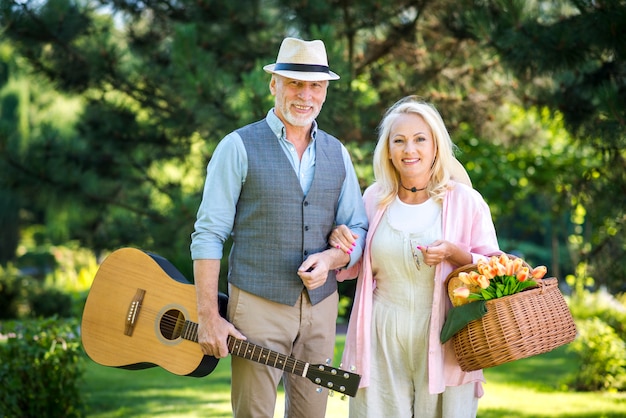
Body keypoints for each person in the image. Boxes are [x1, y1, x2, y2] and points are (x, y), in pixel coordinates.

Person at [190, 37, 368, 418]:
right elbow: (208, 234)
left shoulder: (338, 152)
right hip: (256, 305)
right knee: (254, 413)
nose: (305, 95)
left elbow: (357, 227)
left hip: (321, 310)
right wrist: (208, 315)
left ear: (325, 91)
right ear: (274, 84)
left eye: (315, 86)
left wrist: (333, 257)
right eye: (295, 83)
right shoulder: (237, 146)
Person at [329, 96, 500, 417]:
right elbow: (354, 260)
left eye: (420, 139)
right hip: (379, 333)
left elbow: (495, 270)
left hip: (447, 335)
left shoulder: (466, 201)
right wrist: (342, 241)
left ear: (436, 147)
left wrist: (454, 253)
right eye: (400, 141)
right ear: (388, 151)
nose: (410, 150)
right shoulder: (373, 199)